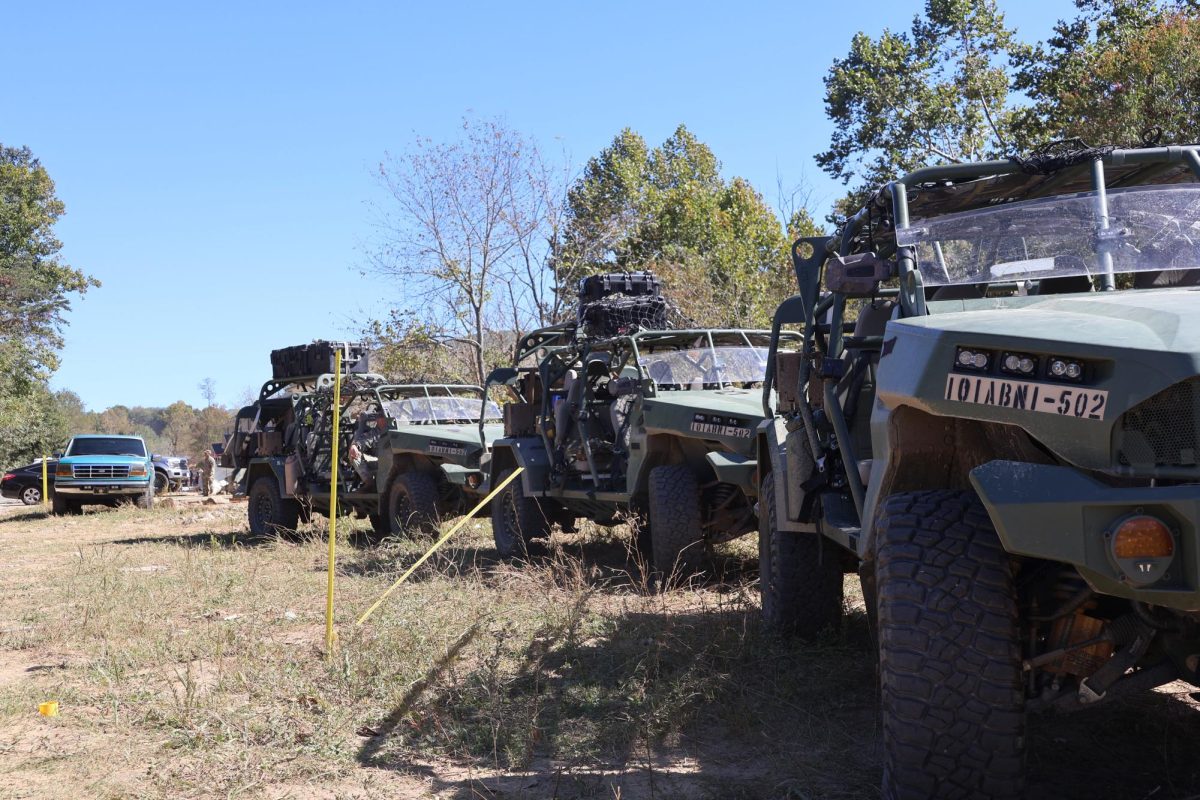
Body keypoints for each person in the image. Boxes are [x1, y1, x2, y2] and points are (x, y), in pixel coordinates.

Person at [348, 412, 389, 488]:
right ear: (377, 420)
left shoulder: (395, 430)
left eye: (384, 417)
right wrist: (355, 446)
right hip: (380, 461)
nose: (382, 420)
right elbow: (365, 441)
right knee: (354, 455)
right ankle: (370, 483)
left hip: (394, 461)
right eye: (380, 418)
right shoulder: (374, 433)